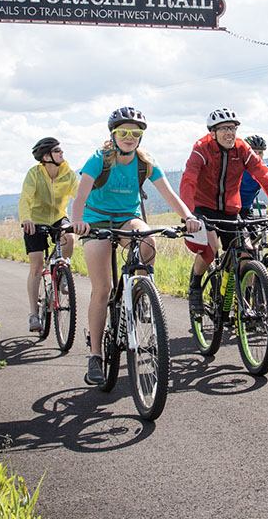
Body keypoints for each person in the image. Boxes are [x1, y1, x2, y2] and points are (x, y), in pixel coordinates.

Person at [67, 106, 201, 387]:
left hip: (128, 218)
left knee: (148, 242)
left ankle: (141, 294)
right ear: (113, 134)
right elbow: (80, 196)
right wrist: (77, 222)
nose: (129, 137)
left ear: (141, 136)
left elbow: (169, 194)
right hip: (96, 221)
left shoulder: (145, 162)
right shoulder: (99, 159)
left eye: (135, 133)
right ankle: (95, 355)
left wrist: (187, 217)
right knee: (102, 289)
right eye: (123, 132)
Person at [179, 108, 268, 316]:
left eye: (233, 128)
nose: (230, 133)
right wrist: (188, 214)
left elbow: (265, 177)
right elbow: (189, 181)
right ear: (213, 132)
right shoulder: (201, 149)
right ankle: (195, 285)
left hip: (230, 210)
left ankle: (239, 299)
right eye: (224, 128)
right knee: (210, 248)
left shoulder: (242, 149)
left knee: (247, 253)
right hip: (203, 208)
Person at [18, 136, 78, 333]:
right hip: (35, 221)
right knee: (36, 267)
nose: (62, 153)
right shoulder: (34, 174)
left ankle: (61, 273)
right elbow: (25, 199)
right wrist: (26, 219)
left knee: (69, 238)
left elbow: (80, 197)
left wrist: (86, 218)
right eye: (57, 151)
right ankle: (34, 314)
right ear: (46, 157)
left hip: (58, 218)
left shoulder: (68, 174)